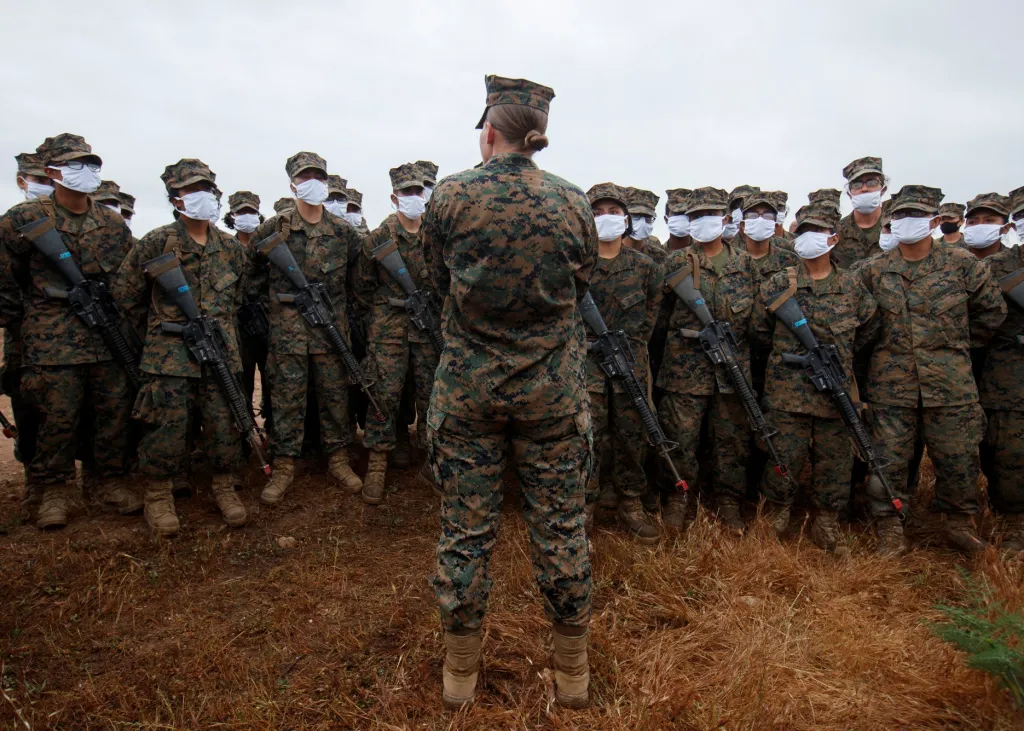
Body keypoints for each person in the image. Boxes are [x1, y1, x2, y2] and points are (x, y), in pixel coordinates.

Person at [423, 75, 596, 709]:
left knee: (466, 532)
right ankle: (572, 675)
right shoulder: (574, 202)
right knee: (561, 526)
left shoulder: (451, 197)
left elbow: (434, 274)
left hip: (469, 392)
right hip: (551, 395)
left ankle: (459, 678)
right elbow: (581, 283)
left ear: (488, 131)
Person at [0, 134, 138, 528]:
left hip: (104, 335)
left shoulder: (110, 224)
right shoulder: (23, 220)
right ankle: (53, 487)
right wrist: (23, 318)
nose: (85, 172)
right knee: (56, 414)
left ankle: (107, 479)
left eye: (90, 164)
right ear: (51, 172)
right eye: (74, 164)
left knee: (111, 409)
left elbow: (126, 278)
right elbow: (4, 277)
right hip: (51, 335)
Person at [859, 185, 1005, 555]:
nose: (909, 223)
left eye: (918, 216)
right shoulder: (873, 272)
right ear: (890, 223)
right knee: (887, 462)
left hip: (951, 386)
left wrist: (953, 347)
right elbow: (860, 324)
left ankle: (959, 525)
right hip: (891, 388)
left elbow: (992, 313)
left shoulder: (963, 265)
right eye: (901, 217)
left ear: (936, 221)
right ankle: (890, 528)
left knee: (958, 460)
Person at [112, 158, 249, 536]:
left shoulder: (231, 249)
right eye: (190, 190)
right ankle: (158, 494)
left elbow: (236, 300)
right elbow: (126, 294)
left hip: (219, 352)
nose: (201, 195)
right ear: (175, 198)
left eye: (205, 188)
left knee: (224, 422)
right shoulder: (158, 242)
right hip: (170, 356)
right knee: (166, 427)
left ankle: (224, 486)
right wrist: (164, 327)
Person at [754, 200, 879, 553]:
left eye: (818, 231)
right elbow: (759, 331)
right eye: (803, 230)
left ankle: (826, 521)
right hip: (787, 393)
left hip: (834, 395)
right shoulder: (778, 285)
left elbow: (869, 331)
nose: (809, 237)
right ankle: (777, 513)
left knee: (834, 462)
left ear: (834, 238)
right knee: (783, 456)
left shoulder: (853, 288)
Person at [249, 152, 364, 506]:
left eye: (318, 175)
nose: (312, 182)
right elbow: (252, 276)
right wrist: (274, 310)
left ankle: (339, 460)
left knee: (334, 399)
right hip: (288, 338)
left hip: (330, 337)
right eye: (304, 177)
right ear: (292, 184)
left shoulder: (344, 232)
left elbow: (357, 284)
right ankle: (284, 466)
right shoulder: (274, 228)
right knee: (286, 402)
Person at [655, 186, 757, 534]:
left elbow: (757, 324)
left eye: (710, 216)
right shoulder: (675, 263)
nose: (703, 223)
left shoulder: (746, 265)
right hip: (685, 372)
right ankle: (678, 497)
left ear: (726, 219)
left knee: (731, 441)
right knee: (681, 438)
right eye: (696, 216)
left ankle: (728, 501)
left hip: (731, 371)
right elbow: (660, 319)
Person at [355, 162, 440, 504]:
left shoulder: (435, 236)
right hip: (389, 326)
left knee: (431, 392)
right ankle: (377, 465)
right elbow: (362, 288)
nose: (414, 197)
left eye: (418, 191)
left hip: (427, 327)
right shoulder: (378, 238)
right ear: (394, 197)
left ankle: (436, 462)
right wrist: (384, 313)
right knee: (384, 394)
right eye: (406, 192)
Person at [583, 182, 662, 542]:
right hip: (587, 364)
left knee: (633, 433)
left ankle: (631, 501)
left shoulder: (644, 267)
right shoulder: (579, 266)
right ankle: (585, 502)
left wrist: (630, 349)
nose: (606, 218)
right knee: (589, 434)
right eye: (598, 212)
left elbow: (649, 315)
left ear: (626, 218)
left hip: (630, 362)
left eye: (614, 212)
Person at [977, 185, 1024, 555]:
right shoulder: (996, 268)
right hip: (1007, 378)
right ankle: (1013, 526)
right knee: (1006, 456)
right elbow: (977, 319)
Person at [224, 191, 270, 441]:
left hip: (265, 323)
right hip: (238, 325)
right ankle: (244, 435)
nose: (247, 216)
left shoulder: (268, 246)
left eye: (252, 212)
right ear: (232, 216)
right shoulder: (226, 247)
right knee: (242, 381)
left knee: (272, 379)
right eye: (241, 212)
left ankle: (272, 430)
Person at [835, 156, 886, 269]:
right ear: (849, 193)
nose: (864, 189)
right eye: (857, 184)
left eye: (871, 182)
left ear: (883, 189)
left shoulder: (895, 227)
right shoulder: (836, 232)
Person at [624, 187, 667, 266]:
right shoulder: (610, 252)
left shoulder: (659, 256)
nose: (642, 223)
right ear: (625, 218)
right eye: (635, 216)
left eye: (647, 218)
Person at [962, 193, 1011, 259]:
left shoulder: (1018, 261)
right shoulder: (949, 258)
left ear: (1006, 227)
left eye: (989, 221)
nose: (980, 225)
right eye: (972, 222)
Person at [663, 188, 692, 252]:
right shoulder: (657, 255)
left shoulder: (705, 252)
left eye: (685, 214)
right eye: (676, 214)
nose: (681, 218)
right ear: (666, 219)